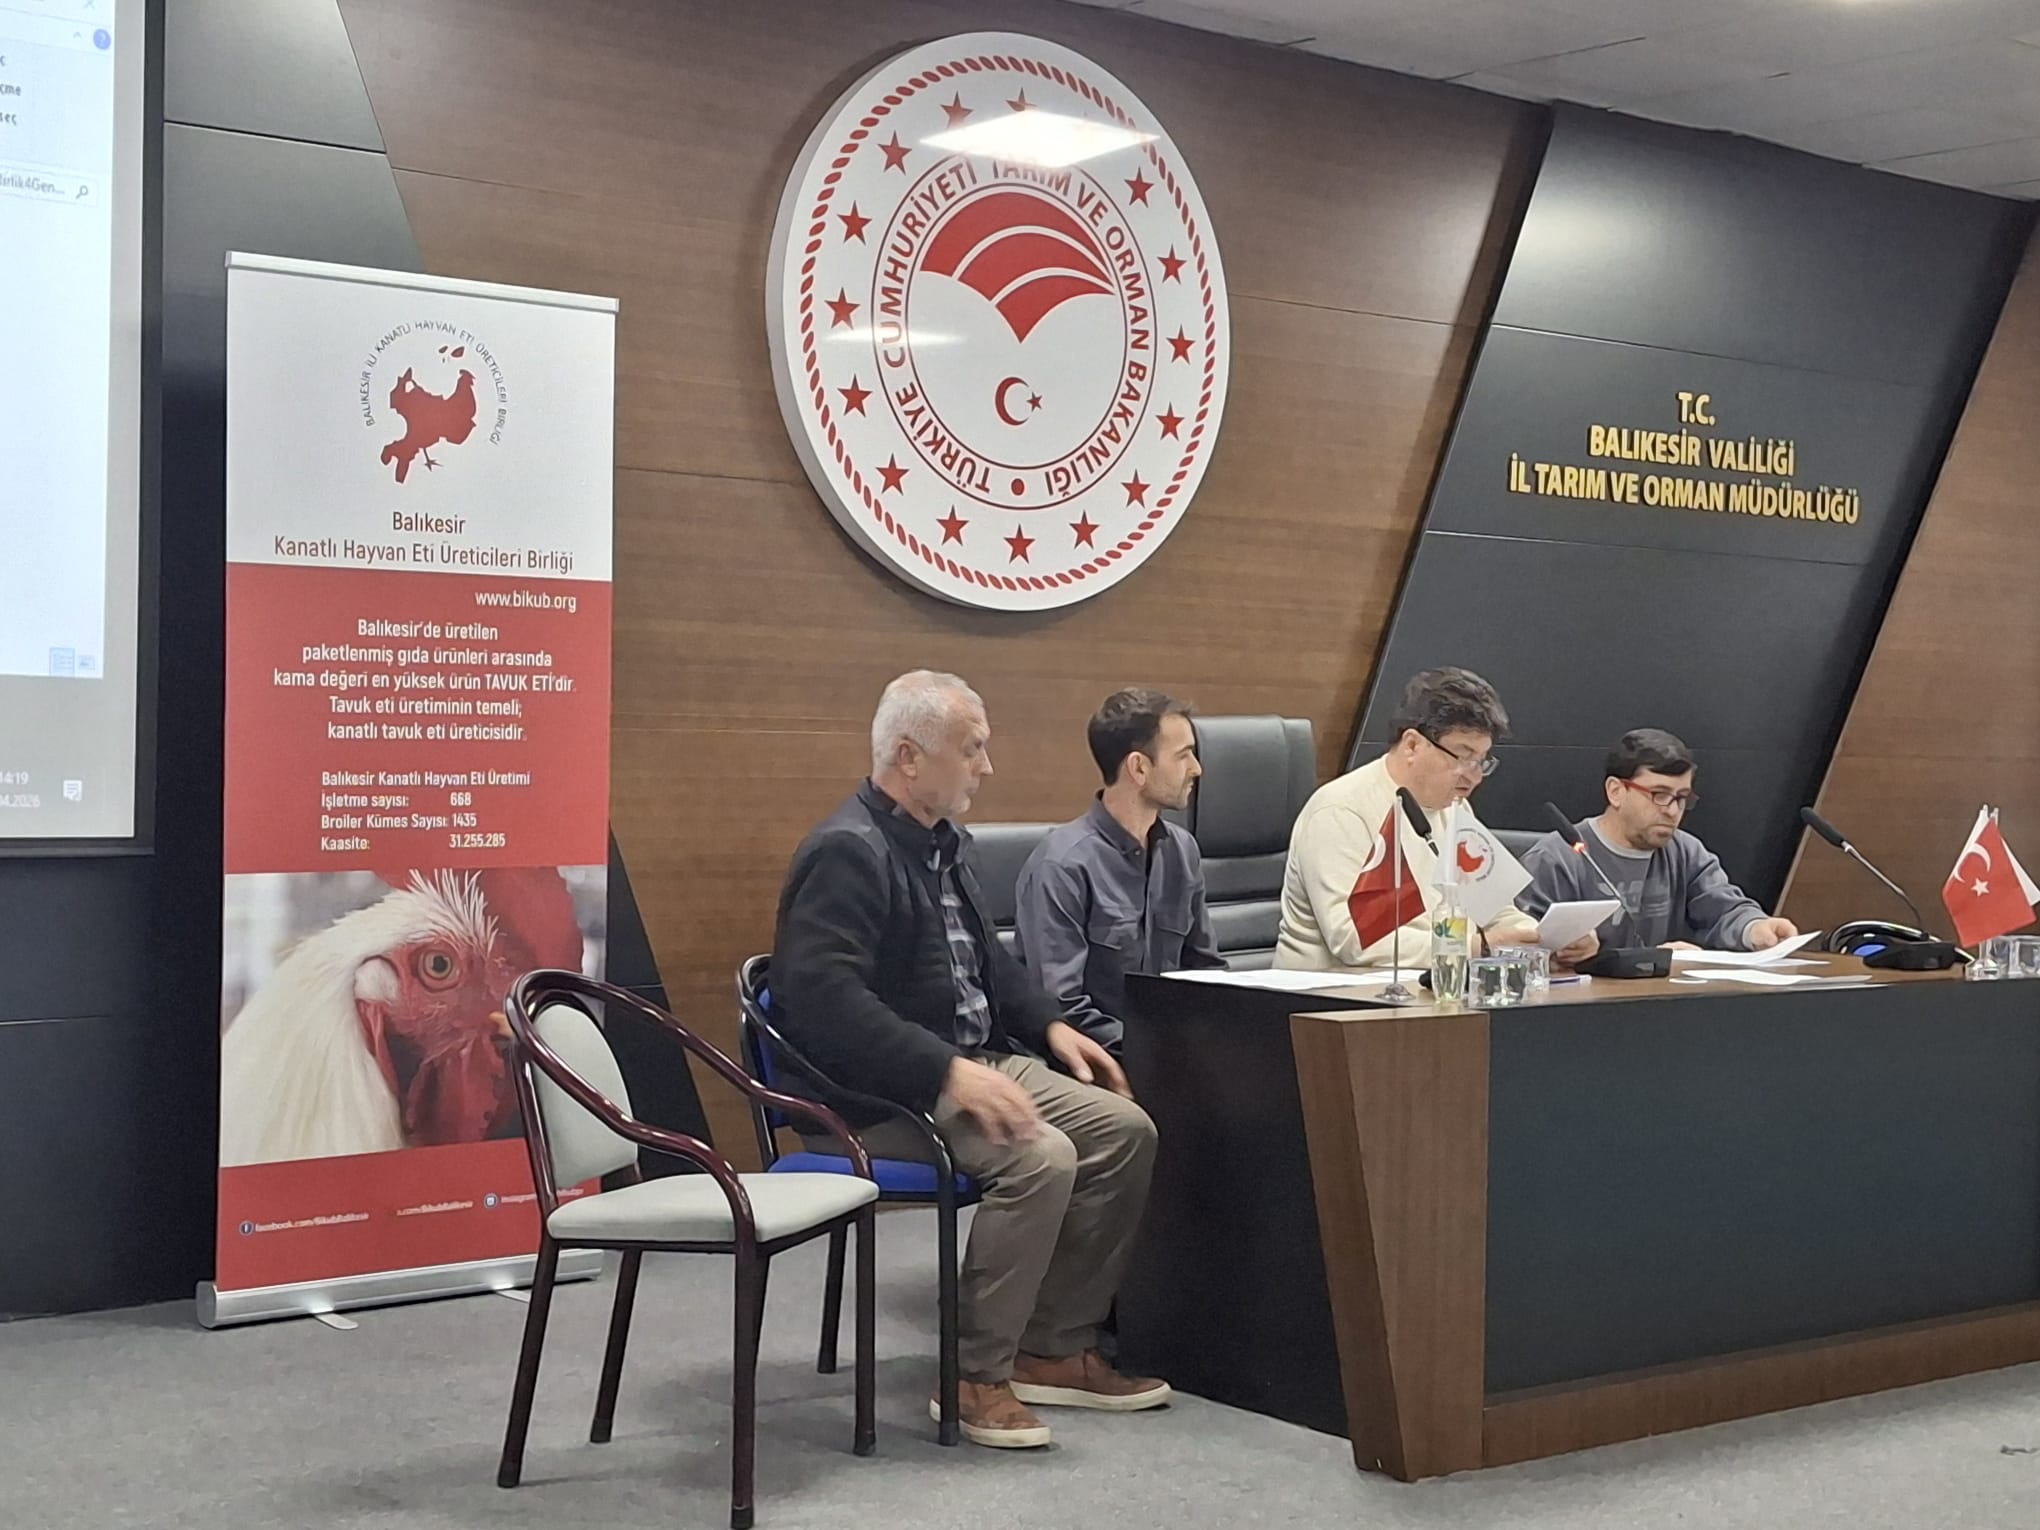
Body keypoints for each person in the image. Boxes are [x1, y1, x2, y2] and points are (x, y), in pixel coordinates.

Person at [771, 670, 1169, 1450]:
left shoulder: (947, 845)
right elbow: (822, 1003)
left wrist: (1051, 1026)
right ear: (909, 757)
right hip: (875, 1096)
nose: (987, 767)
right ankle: (973, 1376)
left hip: (968, 1062)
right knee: (1040, 1157)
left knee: (1126, 1131)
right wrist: (947, 1072)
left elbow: (989, 965)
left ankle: (1051, 1347)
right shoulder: (847, 852)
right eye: (972, 749)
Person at [1275, 667, 1553, 969]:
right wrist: (1476, 947)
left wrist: (1544, 940)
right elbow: (1355, 938)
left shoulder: (1455, 809)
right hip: (1332, 990)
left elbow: (1496, 912)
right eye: (1463, 757)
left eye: (1481, 761)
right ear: (1412, 745)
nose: (1474, 777)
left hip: (1431, 983)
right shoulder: (1339, 811)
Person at [1013, 688, 1226, 1053]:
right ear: (1139, 768)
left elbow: (1205, 971)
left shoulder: (1182, 851)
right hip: (1097, 1057)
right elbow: (1061, 1007)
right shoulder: (1062, 865)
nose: (1197, 769)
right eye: (1184, 755)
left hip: (1169, 1050)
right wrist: (1155, 1050)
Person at [1518, 728, 1798, 954]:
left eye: (1681, 798)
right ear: (1616, 792)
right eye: (1659, 795)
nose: (1672, 810)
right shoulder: (1558, 858)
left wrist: (1755, 927)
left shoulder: (1686, 852)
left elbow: (1723, 910)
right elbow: (1521, 942)